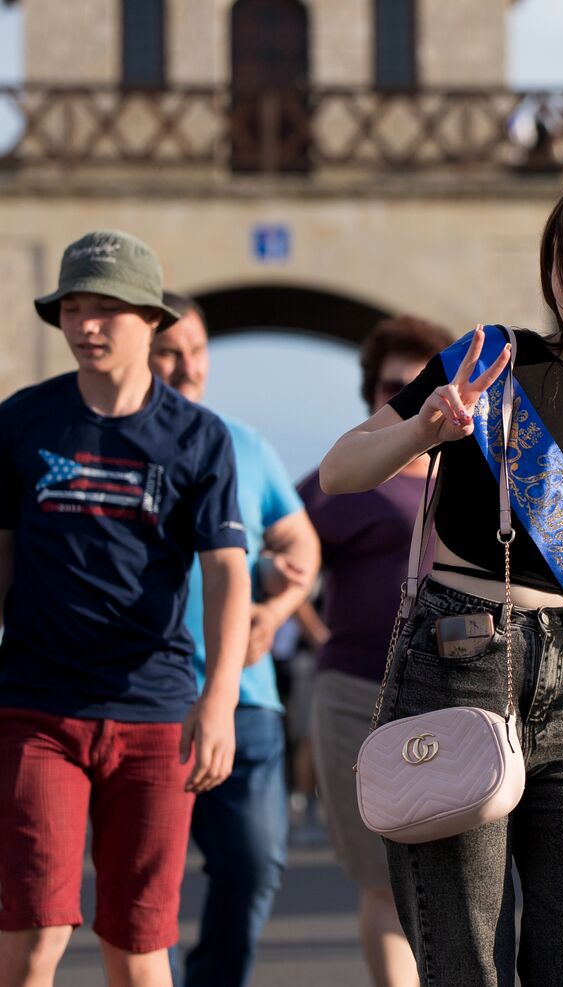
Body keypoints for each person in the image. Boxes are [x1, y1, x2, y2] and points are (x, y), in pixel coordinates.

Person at [318, 165, 563, 986]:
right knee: (466, 964)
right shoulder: (493, 362)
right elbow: (341, 469)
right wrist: (424, 426)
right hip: (458, 659)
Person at [0, 231, 250, 987]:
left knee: (137, 948)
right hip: (36, 709)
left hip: (154, 716)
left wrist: (220, 701)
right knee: (32, 936)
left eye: (106, 308)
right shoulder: (23, 420)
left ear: (151, 319)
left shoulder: (198, 437)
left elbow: (228, 575)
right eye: (73, 307)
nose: (85, 325)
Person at [149, 292, 320, 987]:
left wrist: (276, 610)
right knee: (142, 881)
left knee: (255, 860)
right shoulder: (110, 441)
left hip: (243, 698)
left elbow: (302, 544)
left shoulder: (244, 444)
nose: (188, 368)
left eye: (197, 351)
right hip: (144, 696)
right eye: (170, 352)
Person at [298, 315, 456, 987]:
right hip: (357, 692)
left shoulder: (472, 478)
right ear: (375, 395)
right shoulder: (340, 481)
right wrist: (312, 631)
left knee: (456, 878)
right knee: (382, 879)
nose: (414, 394)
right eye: (399, 384)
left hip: (453, 696)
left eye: (426, 381)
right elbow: (285, 562)